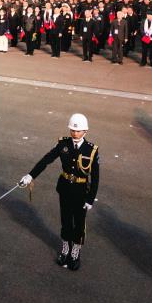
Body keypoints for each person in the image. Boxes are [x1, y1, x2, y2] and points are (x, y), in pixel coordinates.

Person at [19, 113, 100, 271]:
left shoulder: (91, 150)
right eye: (72, 130)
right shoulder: (63, 144)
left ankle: (75, 252)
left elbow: (96, 178)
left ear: (85, 131)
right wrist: (30, 175)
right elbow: (46, 159)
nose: (74, 133)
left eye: (78, 131)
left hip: (81, 191)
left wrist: (90, 199)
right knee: (66, 221)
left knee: (79, 224)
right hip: (65, 189)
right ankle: (65, 249)